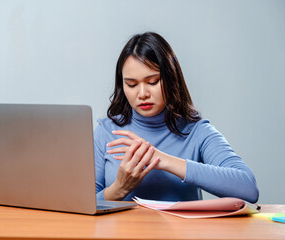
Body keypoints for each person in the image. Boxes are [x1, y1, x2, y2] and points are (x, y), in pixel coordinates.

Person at [94, 32, 259, 203]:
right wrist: (118, 189)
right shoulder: (105, 131)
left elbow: (248, 189)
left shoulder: (197, 131)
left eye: (153, 82)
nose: (142, 94)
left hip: (182, 231)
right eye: (132, 84)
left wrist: (161, 159)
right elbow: (84, 206)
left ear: (171, 78)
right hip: (119, 231)